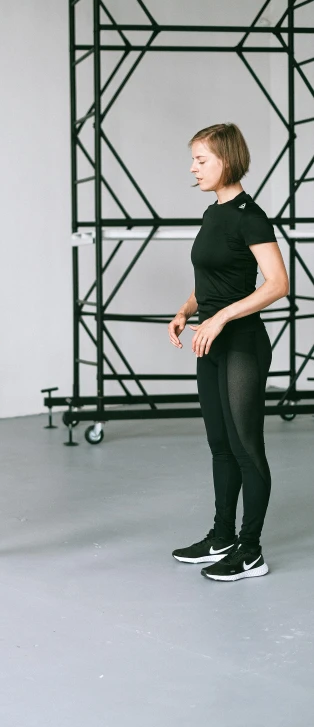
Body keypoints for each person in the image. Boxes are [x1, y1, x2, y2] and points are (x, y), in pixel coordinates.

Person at [168, 123, 289, 582]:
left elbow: (278, 284)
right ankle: (221, 537)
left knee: (246, 449)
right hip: (212, 343)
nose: (193, 167)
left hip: (241, 344)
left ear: (227, 160)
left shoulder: (250, 216)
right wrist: (187, 308)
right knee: (220, 447)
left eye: (201, 159)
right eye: (193, 159)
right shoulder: (212, 214)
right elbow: (213, 283)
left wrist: (220, 319)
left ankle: (251, 550)